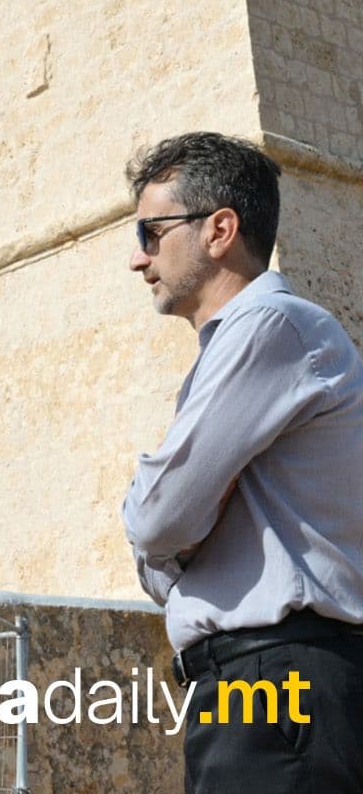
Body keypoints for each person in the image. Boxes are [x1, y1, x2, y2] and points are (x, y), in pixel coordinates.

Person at [120, 132, 363, 789]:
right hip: (257, 682)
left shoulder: (270, 328)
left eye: (151, 232)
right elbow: (168, 533)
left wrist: (169, 523)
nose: (138, 260)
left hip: (276, 678)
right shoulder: (247, 346)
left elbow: (156, 521)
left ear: (219, 229)